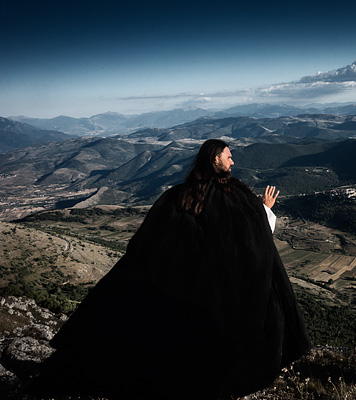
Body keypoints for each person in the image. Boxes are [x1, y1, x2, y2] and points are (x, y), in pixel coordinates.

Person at [29, 139, 312, 399]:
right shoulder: (233, 196)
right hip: (216, 293)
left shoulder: (179, 195)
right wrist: (264, 210)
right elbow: (252, 238)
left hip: (182, 286)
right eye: (228, 156)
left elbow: (149, 242)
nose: (233, 161)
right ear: (215, 159)